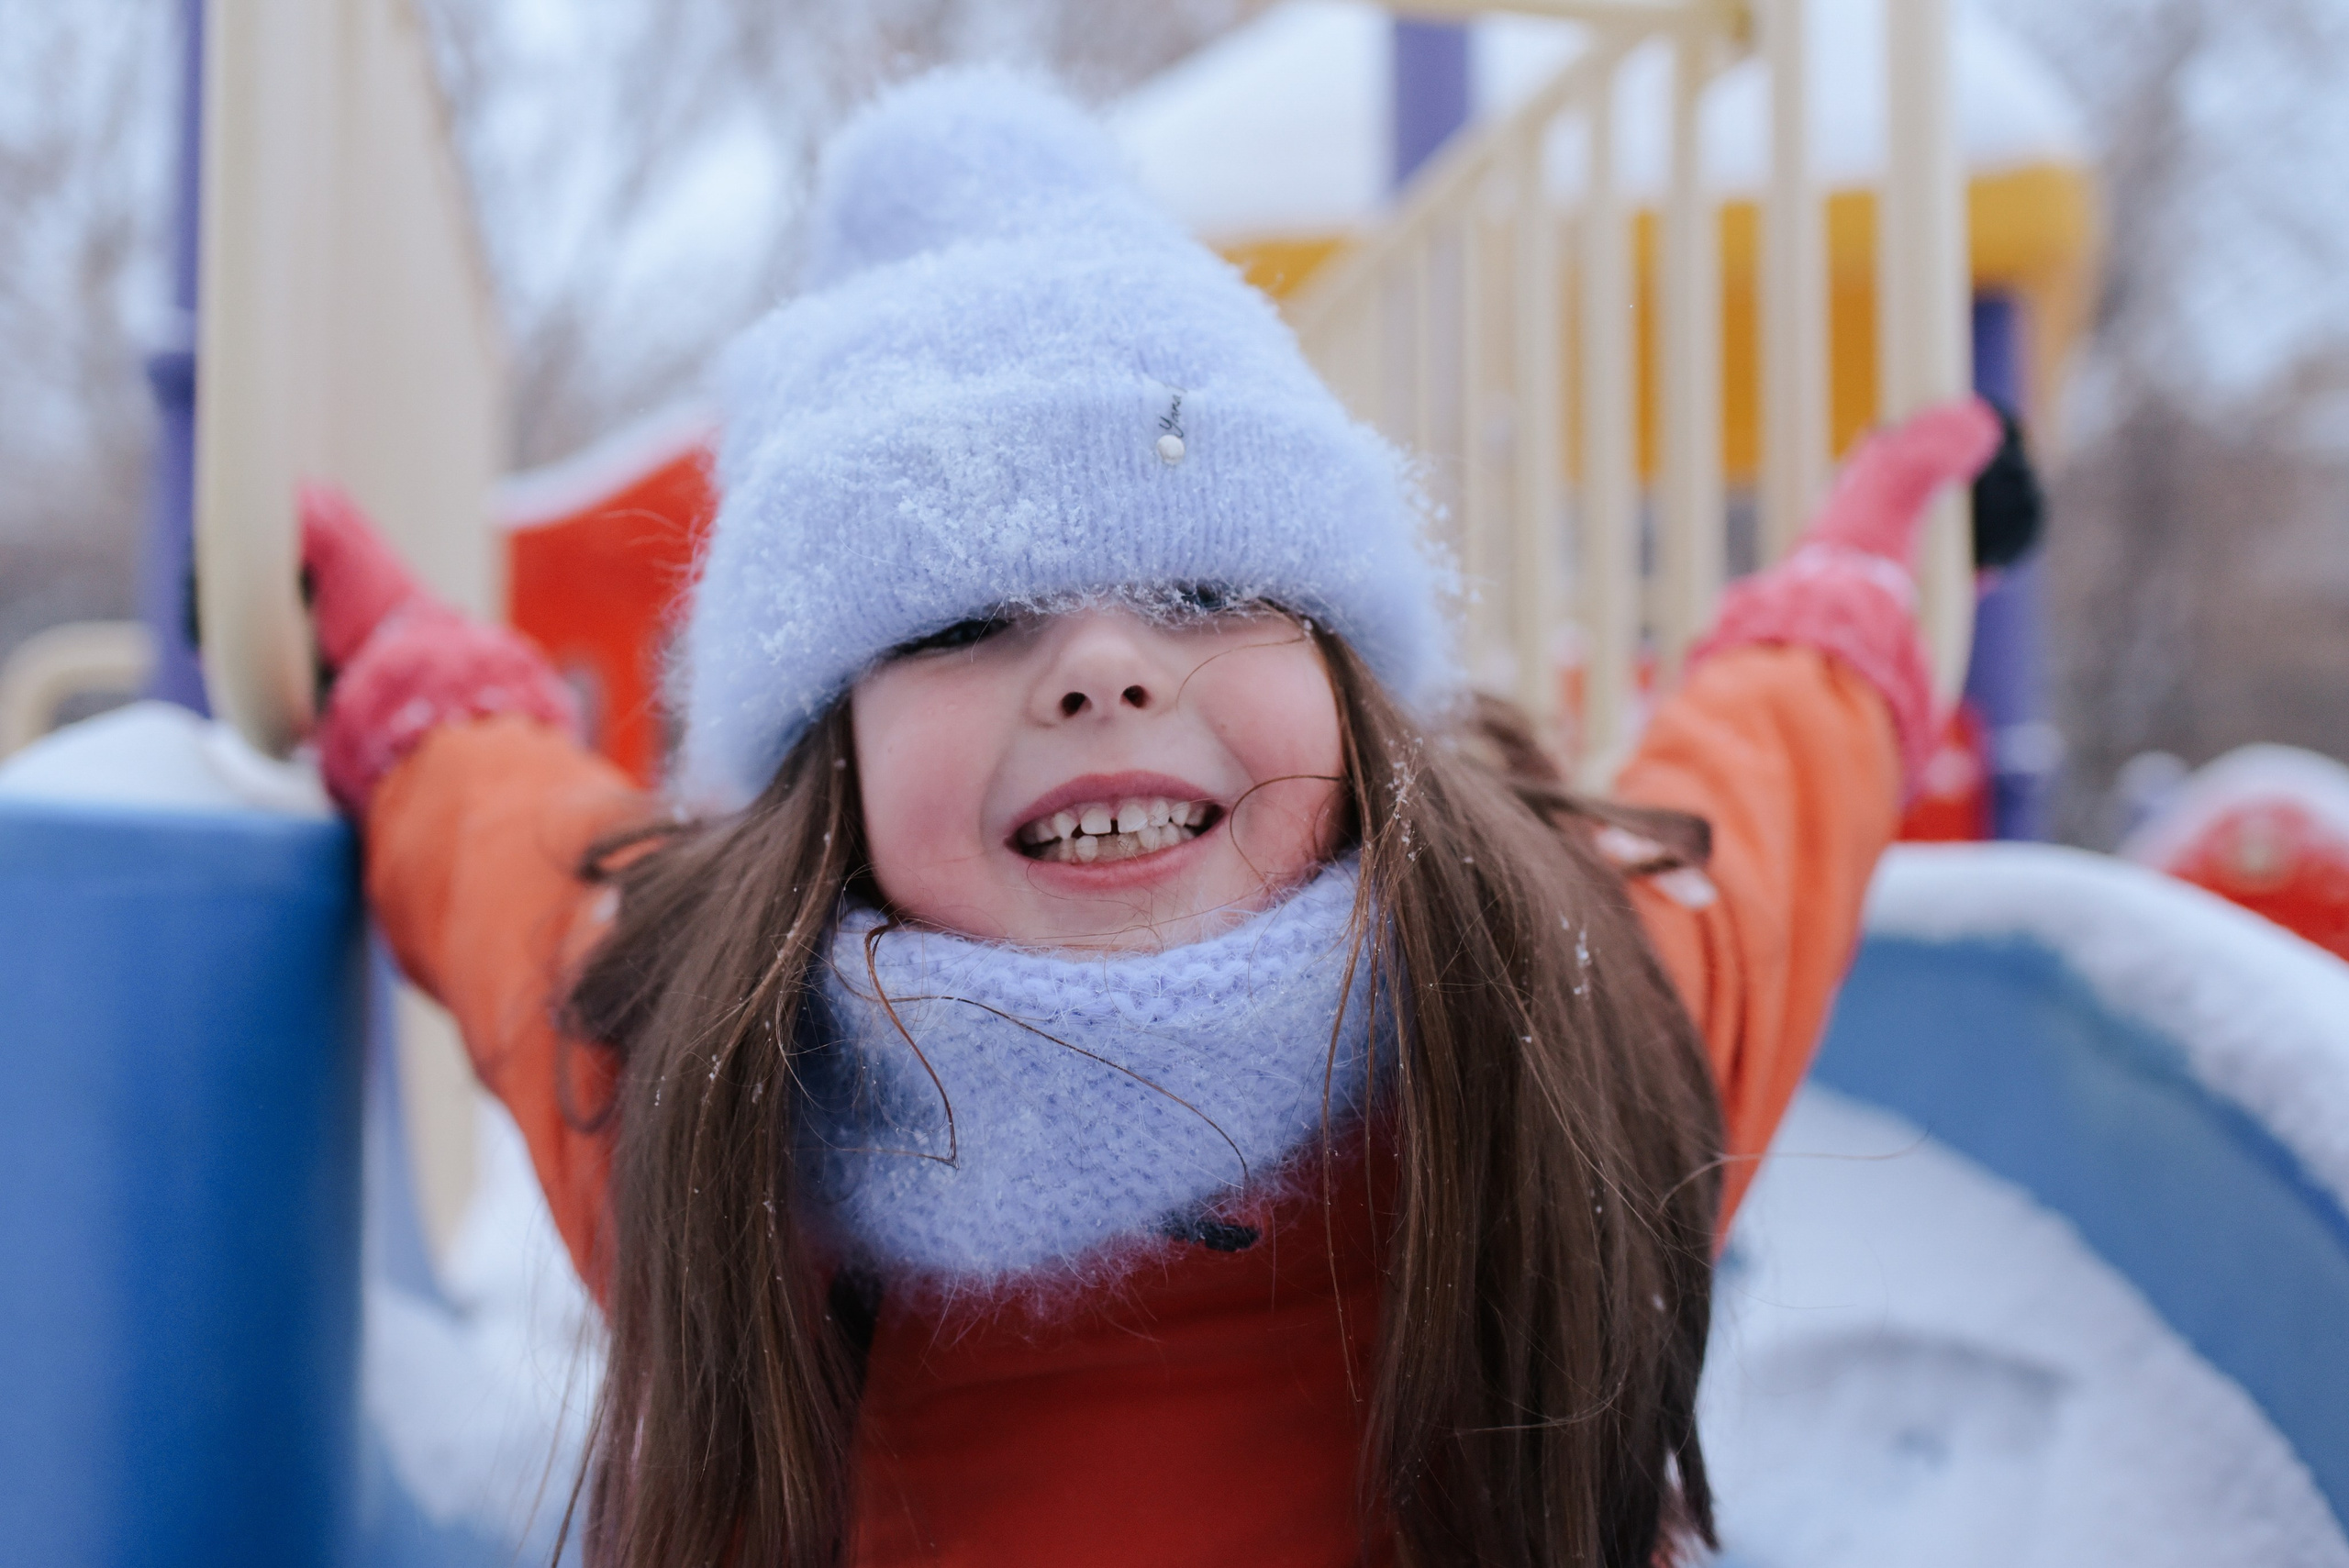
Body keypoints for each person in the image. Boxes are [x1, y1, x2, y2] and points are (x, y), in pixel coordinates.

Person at [299, 70, 1998, 1568]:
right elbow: (509, 864)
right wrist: (410, 680)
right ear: (832, 765)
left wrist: (1852, 586)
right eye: (964, 622)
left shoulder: (1553, 1036)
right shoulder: (715, 1095)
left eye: (1205, 583)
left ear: (1340, 673)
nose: (1104, 667)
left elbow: (1770, 799)